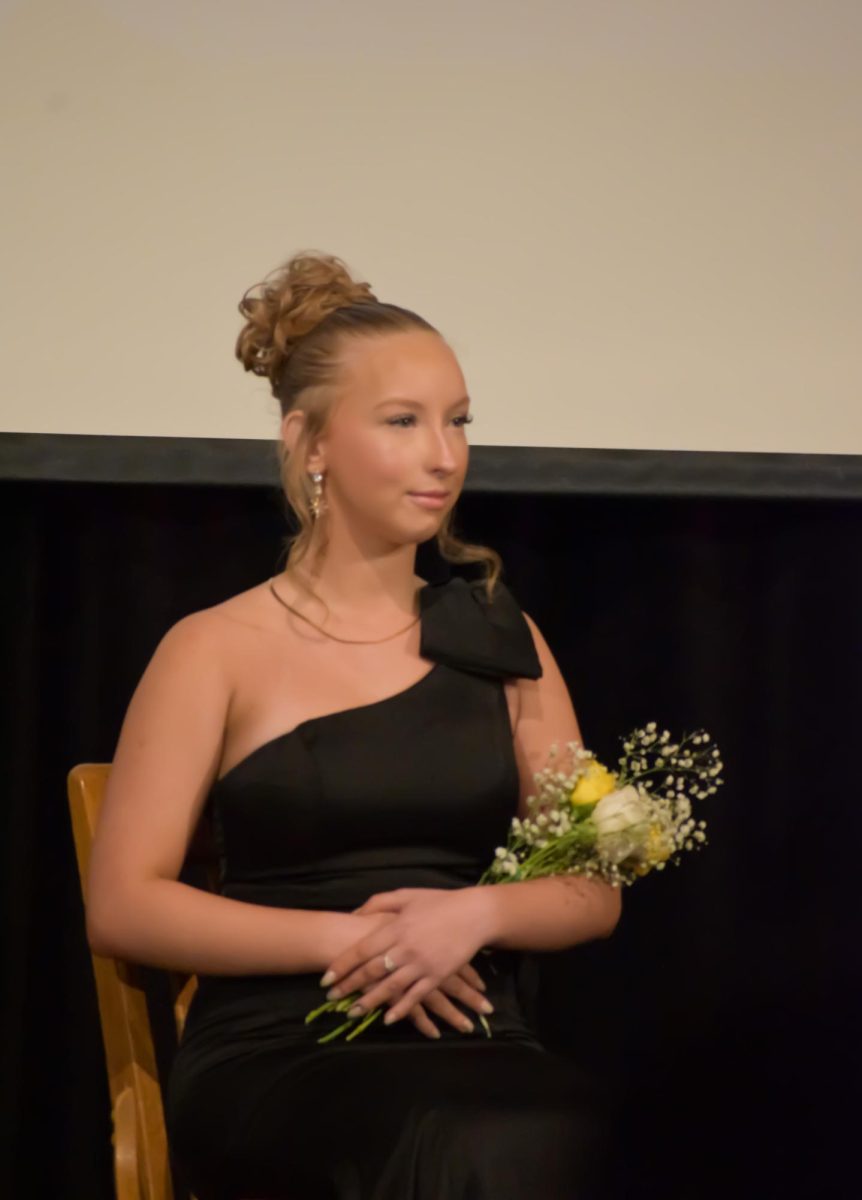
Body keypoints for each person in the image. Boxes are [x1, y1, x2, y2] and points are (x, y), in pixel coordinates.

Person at [86, 250, 622, 1199]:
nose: (444, 455)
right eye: (403, 422)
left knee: (541, 1120)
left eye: (458, 422)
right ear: (312, 442)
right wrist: (348, 940)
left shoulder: (502, 636)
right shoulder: (213, 648)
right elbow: (125, 904)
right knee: (455, 1137)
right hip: (281, 1043)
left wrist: (475, 914)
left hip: (469, 1032)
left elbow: (594, 883)